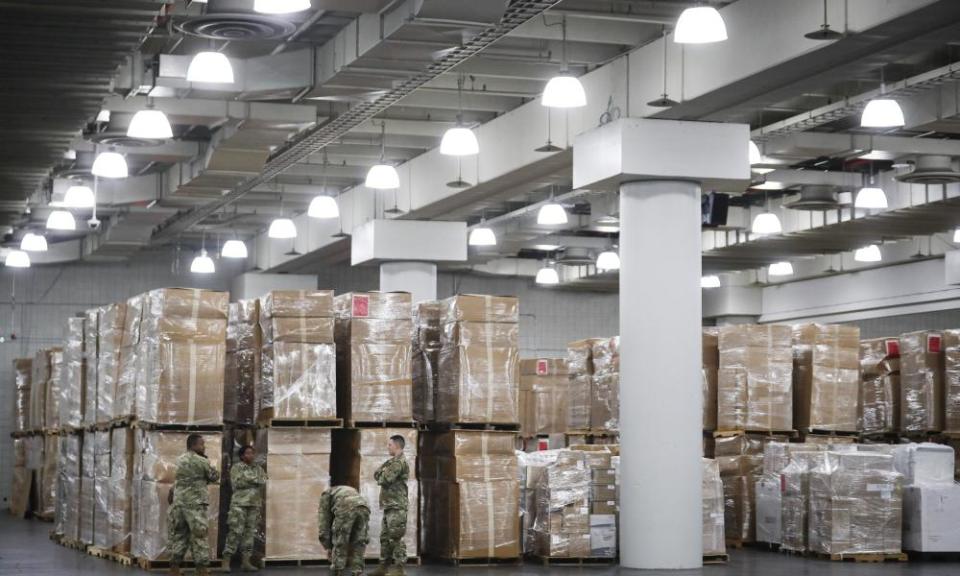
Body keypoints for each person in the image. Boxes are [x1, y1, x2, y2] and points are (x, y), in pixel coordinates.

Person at [167, 433, 220, 576]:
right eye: (202, 444)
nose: (204, 447)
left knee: (179, 535)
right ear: (194, 445)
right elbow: (214, 477)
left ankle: (174, 568)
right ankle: (202, 570)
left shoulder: (179, 460)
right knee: (199, 536)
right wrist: (208, 461)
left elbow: (178, 480)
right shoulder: (201, 461)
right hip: (195, 505)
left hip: (179, 504)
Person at [222, 445, 267, 572]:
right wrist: (254, 480)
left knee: (249, 534)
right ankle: (226, 561)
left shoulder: (258, 468)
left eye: (252, 453)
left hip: (254, 505)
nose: (251, 455)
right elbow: (237, 483)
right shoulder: (236, 467)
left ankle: (246, 561)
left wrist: (248, 480)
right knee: (235, 533)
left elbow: (263, 480)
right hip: (239, 505)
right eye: (248, 453)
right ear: (242, 456)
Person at [370, 435, 409, 576]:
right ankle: (383, 567)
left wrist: (381, 474)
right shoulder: (391, 462)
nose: (388, 447)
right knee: (385, 538)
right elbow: (376, 474)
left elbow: (385, 479)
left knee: (396, 537)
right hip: (389, 505)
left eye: (390, 445)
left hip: (397, 505)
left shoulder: (398, 463)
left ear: (397, 446)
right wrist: (381, 474)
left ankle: (399, 568)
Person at [318, 485, 370, 576]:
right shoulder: (348, 489)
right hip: (363, 506)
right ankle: (357, 571)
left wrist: (328, 547)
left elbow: (323, 522)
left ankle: (338, 571)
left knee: (340, 540)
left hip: (346, 506)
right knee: (359, 540)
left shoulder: (325, 495)